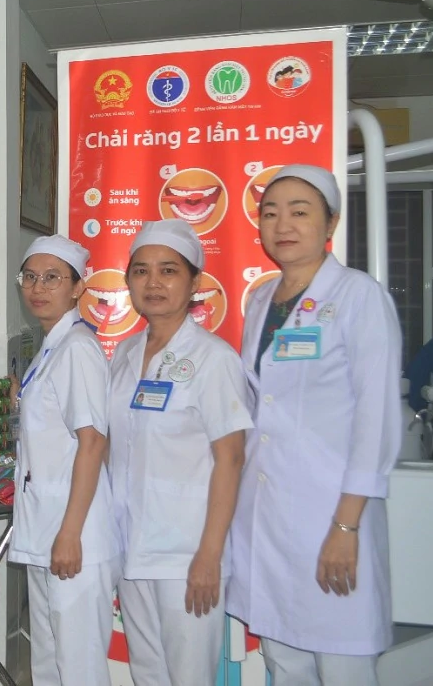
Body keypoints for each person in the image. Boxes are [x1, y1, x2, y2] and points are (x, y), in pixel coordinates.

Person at [229, 165, 402, 685]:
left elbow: (376, 418)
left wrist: (345, 527)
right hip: (266, 516)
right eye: (270, 213)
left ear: (330, 224)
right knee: (285, 663)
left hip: (332, 513)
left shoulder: (358, 296)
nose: (283, 224)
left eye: (299, 212)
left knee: (342, 663)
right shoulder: (262, 301)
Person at [106, 219, 251, 686]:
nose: (153, 282)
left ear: (195, 282)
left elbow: (231, 458)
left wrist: (209, 555)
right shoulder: (125, 354)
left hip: (187, 553)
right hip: (131, 544)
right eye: (141, 270)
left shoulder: (214, 358)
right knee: (148, 672)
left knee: (189, 677)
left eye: (168, 270)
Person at [9, 235, 118, 686]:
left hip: (73, 534)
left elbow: (93, 443)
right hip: (46, 529)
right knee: (50, 662)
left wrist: (70, 534)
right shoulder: (52, 346)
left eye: (53, 278)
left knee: (78, 669)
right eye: (30, 277)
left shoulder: (77, 348)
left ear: (77, 288)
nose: (38, 287)